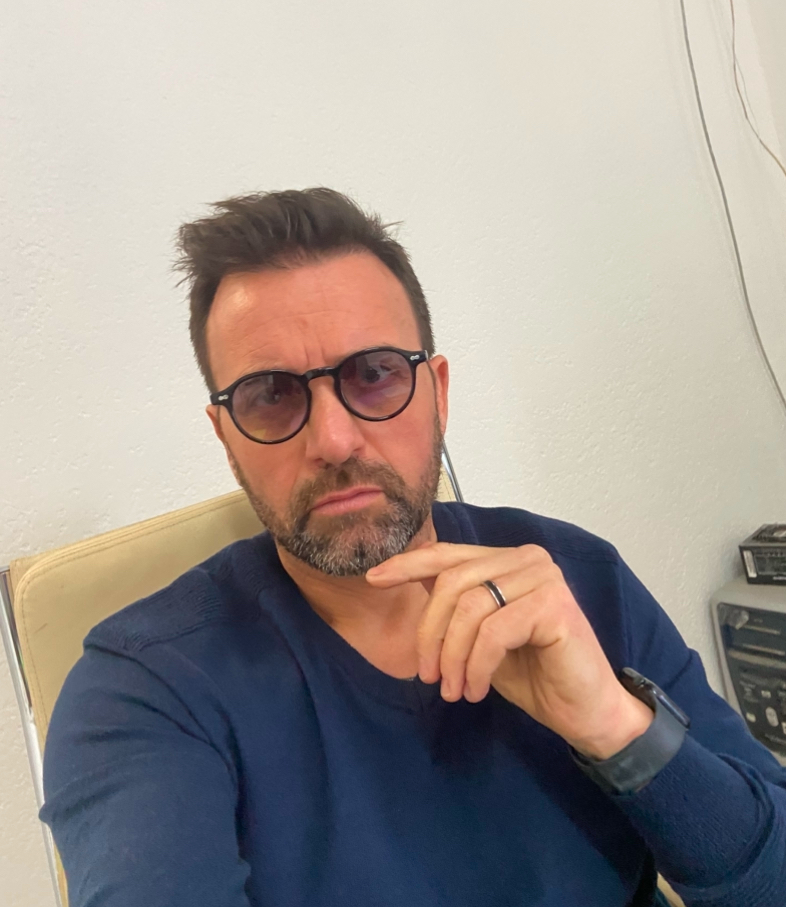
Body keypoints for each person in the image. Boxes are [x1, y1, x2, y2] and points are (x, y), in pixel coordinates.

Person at [41, 188, 786, 907]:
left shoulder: (576, 579)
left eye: (374, 375)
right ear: (226, 437)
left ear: (438, 392)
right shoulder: (145, 693)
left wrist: (617, 728)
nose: (334, 440)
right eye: (270, 395)